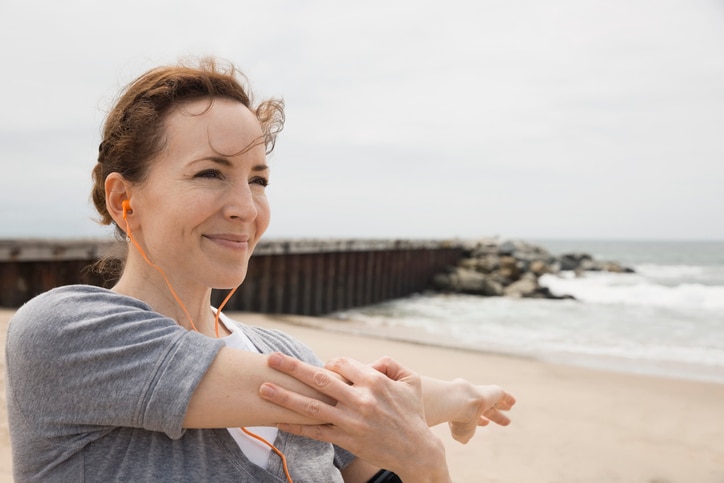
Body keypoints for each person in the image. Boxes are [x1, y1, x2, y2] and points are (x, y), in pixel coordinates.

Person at [5, 57, 515, 482]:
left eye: (258, 179)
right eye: (210, 172)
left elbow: (361, 411)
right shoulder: (66, 333)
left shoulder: (286, 353)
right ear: (123, 199)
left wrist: (426, 462)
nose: (245, 207)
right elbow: (347, 405)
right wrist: (456, 400)